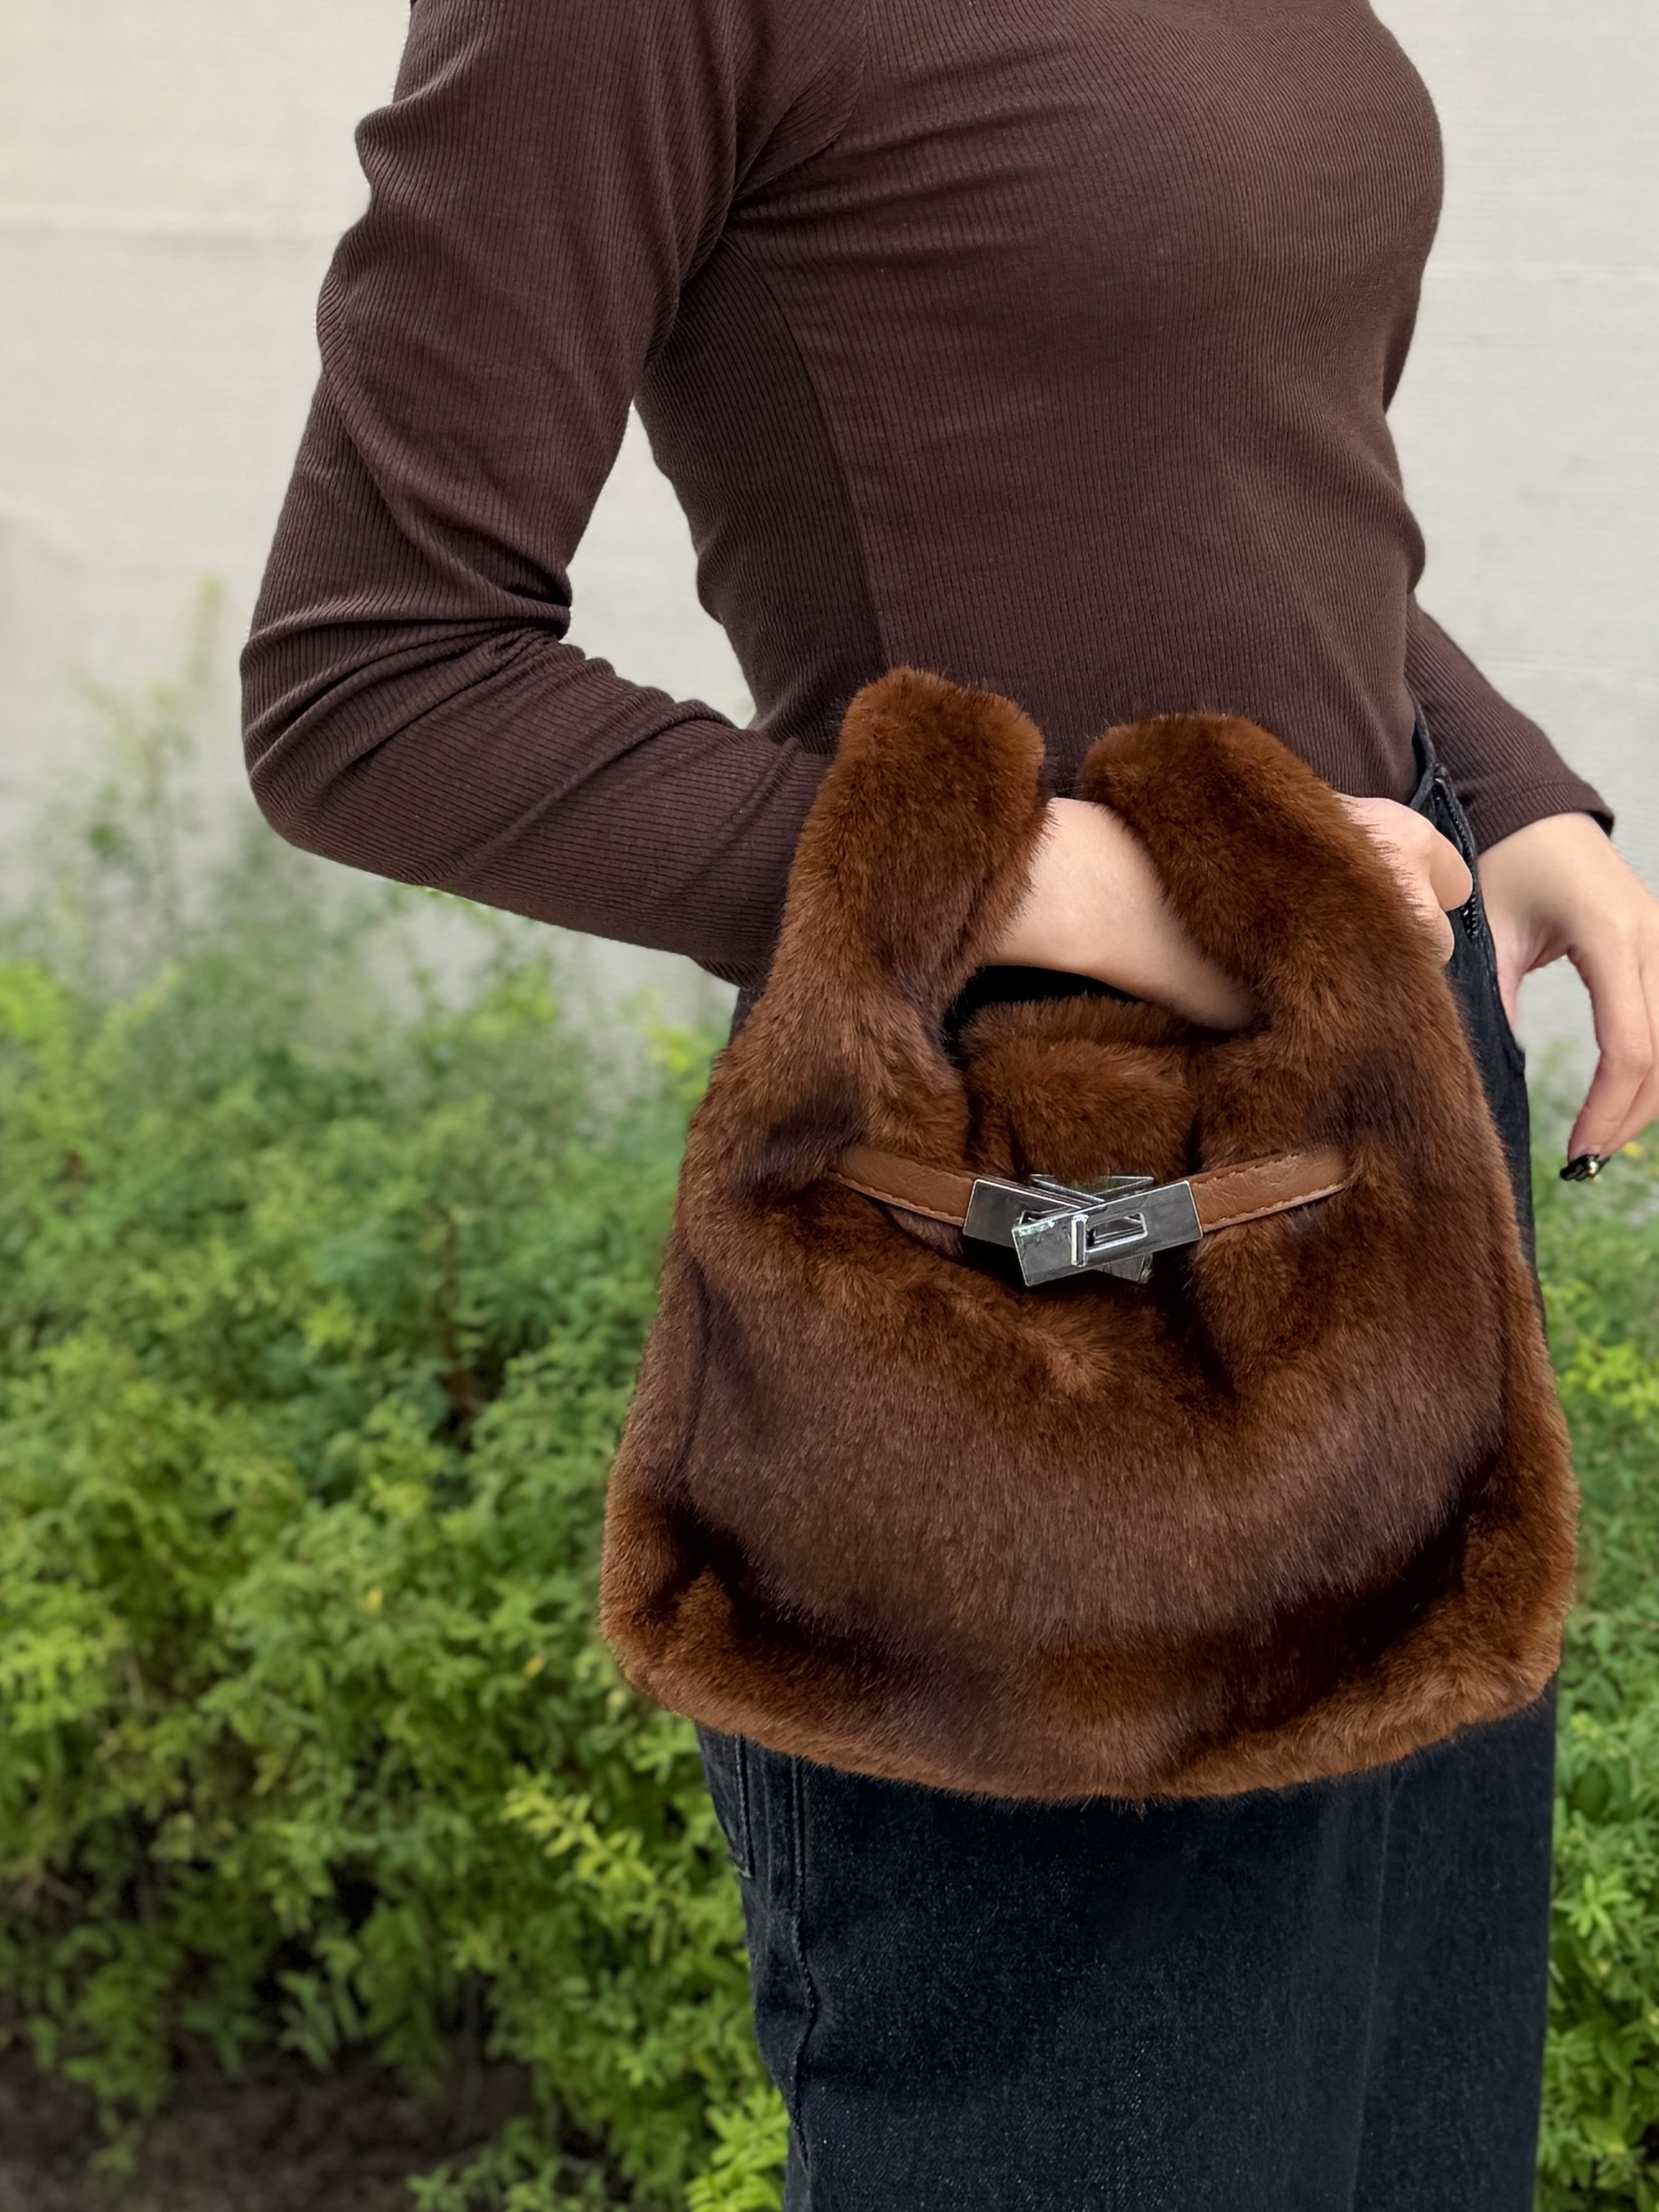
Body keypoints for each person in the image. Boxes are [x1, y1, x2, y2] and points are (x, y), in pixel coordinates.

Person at [242, 1, 1659, 2201]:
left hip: (1380, 1107)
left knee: (1401, 2133)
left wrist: (1503, 779)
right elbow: (371, 679)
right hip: (1036, 1243)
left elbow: (1185, 437)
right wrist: (1053, 877)